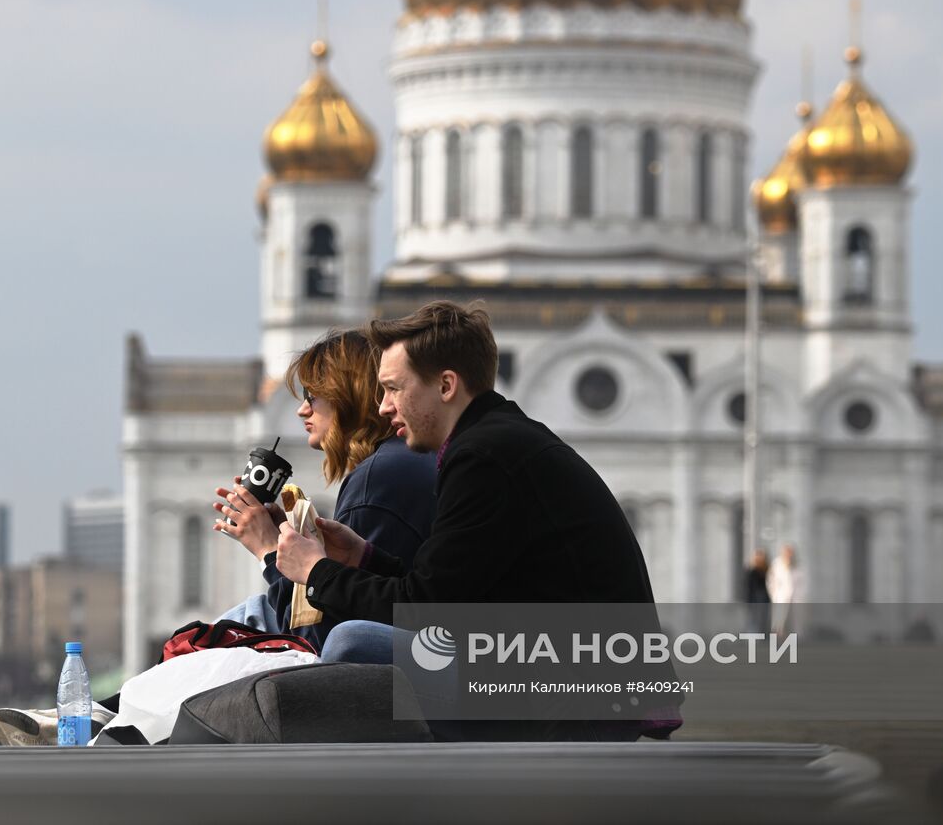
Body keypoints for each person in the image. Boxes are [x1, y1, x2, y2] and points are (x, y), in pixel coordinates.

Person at [274, 301, 671, 740]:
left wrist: (317, 572)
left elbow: (425, 610)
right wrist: (363, 556)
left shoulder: (482, 457)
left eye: (393, 389)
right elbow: (452, 596)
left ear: (446, 385)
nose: (383, 407)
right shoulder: (498, 440)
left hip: (574, 700)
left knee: (352, 643)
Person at [212, 329, 436, 652]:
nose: (302, 410)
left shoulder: (376, 482)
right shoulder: (407, 461)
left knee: (247, 621)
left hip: (401, 680)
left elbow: (316, 641)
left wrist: (270, 552)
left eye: (312, 396)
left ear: (347, 398)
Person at [766, 544, 803, 636]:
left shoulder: (798, 565)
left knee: (794, 621)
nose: (788, 555)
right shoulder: (777, 564)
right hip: (781, 597)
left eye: (790, 553)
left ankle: (795, 640)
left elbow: (802, 582)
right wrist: (774, 594)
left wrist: (800, 595)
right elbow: (771, 581)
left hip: (795, 597)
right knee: (780, 621)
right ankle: (779, 640)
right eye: (786, 552)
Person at [744, 548, 770, 635]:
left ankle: (763, 634)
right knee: (753, 618)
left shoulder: (767, 570)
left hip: (764, 599)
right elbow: (748, 587)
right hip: (754, 599)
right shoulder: (751, 572)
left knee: (764, 618)